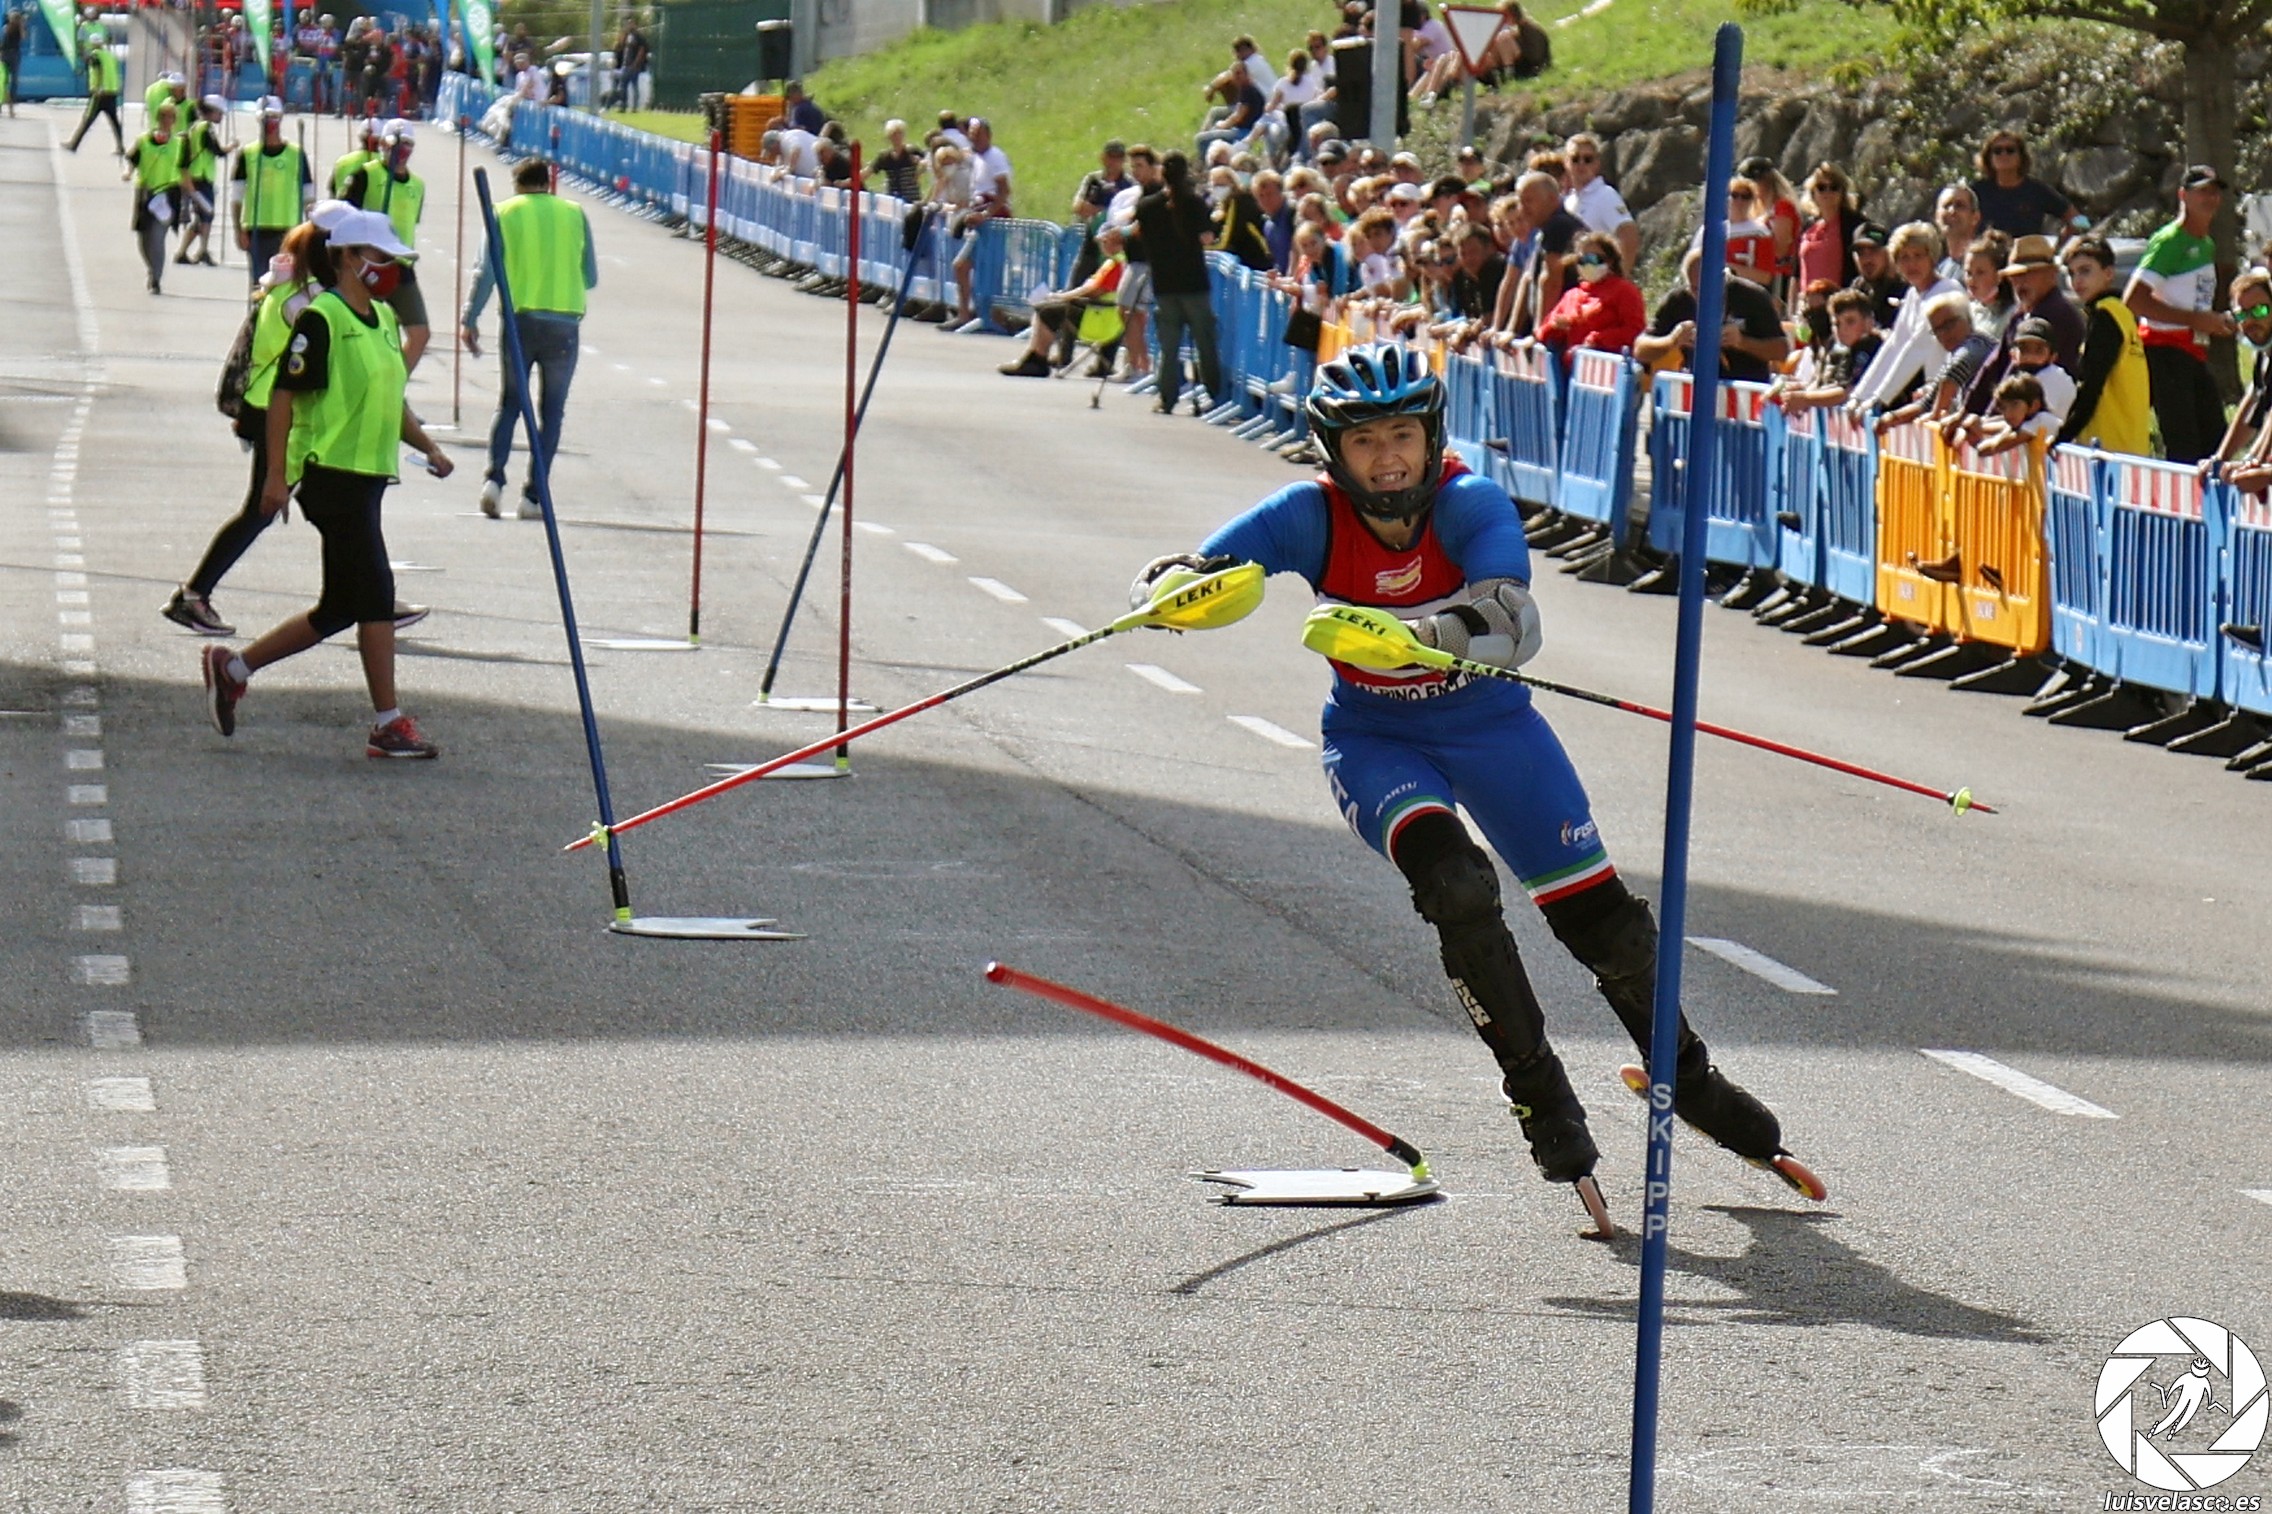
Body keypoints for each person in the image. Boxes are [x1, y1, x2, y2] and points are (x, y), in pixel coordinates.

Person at [1128, 342, 1801, 1209]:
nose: (1387, 457)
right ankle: (1539, 1095)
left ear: (1431, 436)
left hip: (1494, 730)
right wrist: (1164, 596)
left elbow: (1513, 620)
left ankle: (1691, 1080)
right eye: (1364, 440)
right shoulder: (1309, 514)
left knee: (1608, 929)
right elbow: (1192, 571)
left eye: (1402, 435)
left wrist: (1418, 638)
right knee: (1457, 886)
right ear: (1333, 451)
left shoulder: (1468, 500)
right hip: (1376, 740)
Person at [203, 209, 452, 759]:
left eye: (392, 259)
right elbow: (283, 399)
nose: (389, 269)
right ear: (347, 258)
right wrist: (275, 477)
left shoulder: (382, 319)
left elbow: (391, 399)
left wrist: (429, 447)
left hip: (368, 477)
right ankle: (388, 723)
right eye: (380, 257)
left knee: (341, 605)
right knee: (377, 595)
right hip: (329, 475)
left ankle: (234, 669)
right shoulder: (321, 319)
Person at [166, 216, 425, 636]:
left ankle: (369, 591)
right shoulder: (313, 304)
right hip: (282, 415)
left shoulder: (289, 287)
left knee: (325, 515)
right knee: (275, 508)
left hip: (278, 410)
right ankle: (196, 594)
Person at [462, 157, 598, 519]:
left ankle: (494, 480)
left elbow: (486, 272)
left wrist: (470, 318)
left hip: (519, 319)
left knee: (510, 403)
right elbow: (590, 276)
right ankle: (533, 496)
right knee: (552, 412)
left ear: (517, 183)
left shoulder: (504, 212)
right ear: (547, 183)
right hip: (565, 322)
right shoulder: (574, 213)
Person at [2125, 165, 2234, 465]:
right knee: (2184, 445)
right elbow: (2133, 300)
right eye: (2202, 192)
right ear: (2183, 195)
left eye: (2215, 192)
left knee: (2215, 439)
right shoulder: (2170, 240)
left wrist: (2214, 321)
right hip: (2164, 350)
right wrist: (2195, 320)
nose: (2210, 198)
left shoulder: (2206, 244)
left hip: (2193, 351)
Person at [1134, 150, 1221, 415]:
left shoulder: (1146, 206)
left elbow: (1141, 237)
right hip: (1193, 281)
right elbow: (1207, 237)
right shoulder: (1195, 203)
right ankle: (1213, 394)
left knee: (1168, 345)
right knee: (1205, 342)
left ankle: (1167, 397)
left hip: (1164, 282)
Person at [341, 120, 432, 371]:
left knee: (419, 333)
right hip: (367, 264)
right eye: (395, 144)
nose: (401, 151)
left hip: (401, 265)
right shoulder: (365, 175)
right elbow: (344, 216)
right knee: (368, 330)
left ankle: (394, 383)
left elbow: (411, 221)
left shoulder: (417, 185)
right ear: (382, 143)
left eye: (407, 145)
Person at [1844, 222, 1960, 414]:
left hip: (1955, 397)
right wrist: (1859, 396)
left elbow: (1917, 348)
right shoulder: (1913, 295)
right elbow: (1895, 344)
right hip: (1932, 397)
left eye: (1918, 256)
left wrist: (1879, 399)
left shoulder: (1946, 291)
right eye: (1904, 257)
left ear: (1932, 257)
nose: (1911, 264)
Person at [2058, 234, 2151, 455]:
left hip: (2106, 446)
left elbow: (2091, 384)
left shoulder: (2104, 316)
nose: (2077, 280)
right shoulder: (2125, 314)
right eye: (2071, 273)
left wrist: (2063, 436)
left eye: (2085, 271)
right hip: (2133, 443)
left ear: (2108, 273)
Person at [1634, 248, 1789, 381]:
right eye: (1695, 289)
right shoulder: (1679, 300)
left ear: (1723, 278)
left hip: (1746, 388)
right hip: (1697, 386)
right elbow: (1640, 349)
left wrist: (1742, 342)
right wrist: (1672, 340)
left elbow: (1782, 350)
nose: (1703, 295)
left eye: (1709, 287)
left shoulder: (1752, 296)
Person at [998, 222, 1127, 378]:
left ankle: (1037, 359)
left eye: (1104, 242)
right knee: (1052, 305)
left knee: (1045, 310)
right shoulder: (1123, 262)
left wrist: (1062, 296)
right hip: (1108, 317)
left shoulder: (1116, 264)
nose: (1102, 246)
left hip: (1098, 318)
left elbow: (1094, 291)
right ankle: (1101, 364)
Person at [1872, 292, 1994, 433]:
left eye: (1949, 324)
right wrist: (1891, 417)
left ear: (1966, 318)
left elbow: (1955, 371)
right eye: (1937, 330)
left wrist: (1935, 415)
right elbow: (1927, 402)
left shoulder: (1978, 343)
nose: (1944, 334)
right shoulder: (1951, 356)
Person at [234, 97, 313, 275]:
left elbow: (308, 195)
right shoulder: (248, 153)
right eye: (266, 118)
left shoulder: (296, 154)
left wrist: (309, 231)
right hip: (256, 229)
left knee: (285, 280)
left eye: (274, 117)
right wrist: (238, 229)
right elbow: (237, 196)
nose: (271, 123)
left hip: (288, 228)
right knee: (260, 281)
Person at [1535, 231, 1644, 357]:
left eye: (1593, 259)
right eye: (1582, 260)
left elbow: (1635, 331)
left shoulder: (1625, 291)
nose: (1588, 265)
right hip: (1573, 366)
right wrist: (1555, 327)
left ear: (1610, 261)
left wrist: (1597, 340)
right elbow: (1542, 334)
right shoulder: (1571, 296)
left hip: (1607, 365)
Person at [949, 117, 1012, 329]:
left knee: (984, 268)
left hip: (993, 221)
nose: (974, 139)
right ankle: (966, 313)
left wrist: (985, 214)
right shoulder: (977, 158)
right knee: (963, 266)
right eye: (971, 136)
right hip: (979, 219)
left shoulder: (996, 157)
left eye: (978, 136)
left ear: (988, 136)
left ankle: (991, 316)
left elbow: (1003, 192)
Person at [1779, 289, 1883, 410]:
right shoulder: (1839, 347)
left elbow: (1847, 392)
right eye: (1836, 324)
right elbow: (1832, 384)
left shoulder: (1869, 347)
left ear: (1869, 322)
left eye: (1850, 321)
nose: (1842, 329)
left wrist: (1805, 398)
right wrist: (1801, 390)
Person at [1971, 130, 2083, 239]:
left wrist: (2059, 245)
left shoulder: (2037, 191)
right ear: (1989, 158)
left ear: (2021, 157)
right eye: (1997, 151)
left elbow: (2080, 220)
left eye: (2010, 150)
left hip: (2027, 251)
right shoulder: (1977, 191)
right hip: (1987, 250)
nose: (2004, 154)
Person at [125, 102, 187, 295]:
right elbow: (133, 160)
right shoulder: (144, 140)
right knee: (143, 239)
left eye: (170, 118)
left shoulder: (179, 144)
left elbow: (184, 171)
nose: (167, 121)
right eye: (164, 117)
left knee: (157, 237)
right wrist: (128, 173)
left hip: (167, 194)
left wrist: (189, 197)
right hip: (146, 192)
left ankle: (156, 279)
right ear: (158, 119)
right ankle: (151, 267)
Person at [1561, 133, 1638, 271]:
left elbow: (1628, 235)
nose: (1581, 164)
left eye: (1588, 159)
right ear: (1566, 163)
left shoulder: (1606, 195)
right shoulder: (1568, 201)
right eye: (1575, 158)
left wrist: (1622, 275)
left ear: (1597, 163)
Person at [172, 95, 225, 267]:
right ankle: (202, 250)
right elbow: (216, 149)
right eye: (219, 113)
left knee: (201, 217)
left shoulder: (194, 127)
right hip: (202, 177)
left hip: (197, 176)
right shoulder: (205, 128)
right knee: (207, 214)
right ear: (211, 111)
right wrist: (230, 148)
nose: (221, 116)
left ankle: (186, 251)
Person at [1795, 164, 1861, 289]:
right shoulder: (1807, 227)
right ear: (1813, 193)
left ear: (1842, 192)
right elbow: (1796, 273)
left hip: (1839, 299)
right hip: (1807, 299)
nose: (1828, 192)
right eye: (1821, 187)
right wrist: (1792, 301)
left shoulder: (1854, 225)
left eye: (1834, 187)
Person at [65, 20, 125, 155]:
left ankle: (73, 144)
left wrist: (97, 87)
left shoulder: (95, 56)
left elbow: (98, 71)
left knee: (87, 119)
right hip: (112, 91)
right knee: (114, 121)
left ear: (92, 44)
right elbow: (114, 72)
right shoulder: (110, 56)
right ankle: (121, 147)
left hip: (99, 93)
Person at [1847, 222, 1902, 328]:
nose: (1867, 259)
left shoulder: (1906, 290)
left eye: (1874, 250)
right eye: (1860, 253)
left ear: (1889, 252)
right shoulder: (1858, 288)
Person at [867, 118, 926, 203]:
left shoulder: (912, 151)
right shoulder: (885, 156)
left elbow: (928, 163)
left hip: (912, 199)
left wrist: (920, 168)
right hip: (893, 200)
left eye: (900, 133)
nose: (897, 137)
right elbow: (869, 171)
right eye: (894, 134)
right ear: (889, 137)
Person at [1933, 184, 1981, 282]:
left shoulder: (1985, 264)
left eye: (1960, 206)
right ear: (1937, 217)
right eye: (1946, 206)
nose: (1952, 211)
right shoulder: (1939, 271)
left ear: (1975, 217)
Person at [1, 9, 24, 119]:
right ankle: (5, 105)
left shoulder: (19, 29)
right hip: (6, 55)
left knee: (12, 81)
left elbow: (23, 37)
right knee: (4, 81)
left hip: (13, 54)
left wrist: (21, 25)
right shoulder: (6, 28)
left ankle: (11, 106)